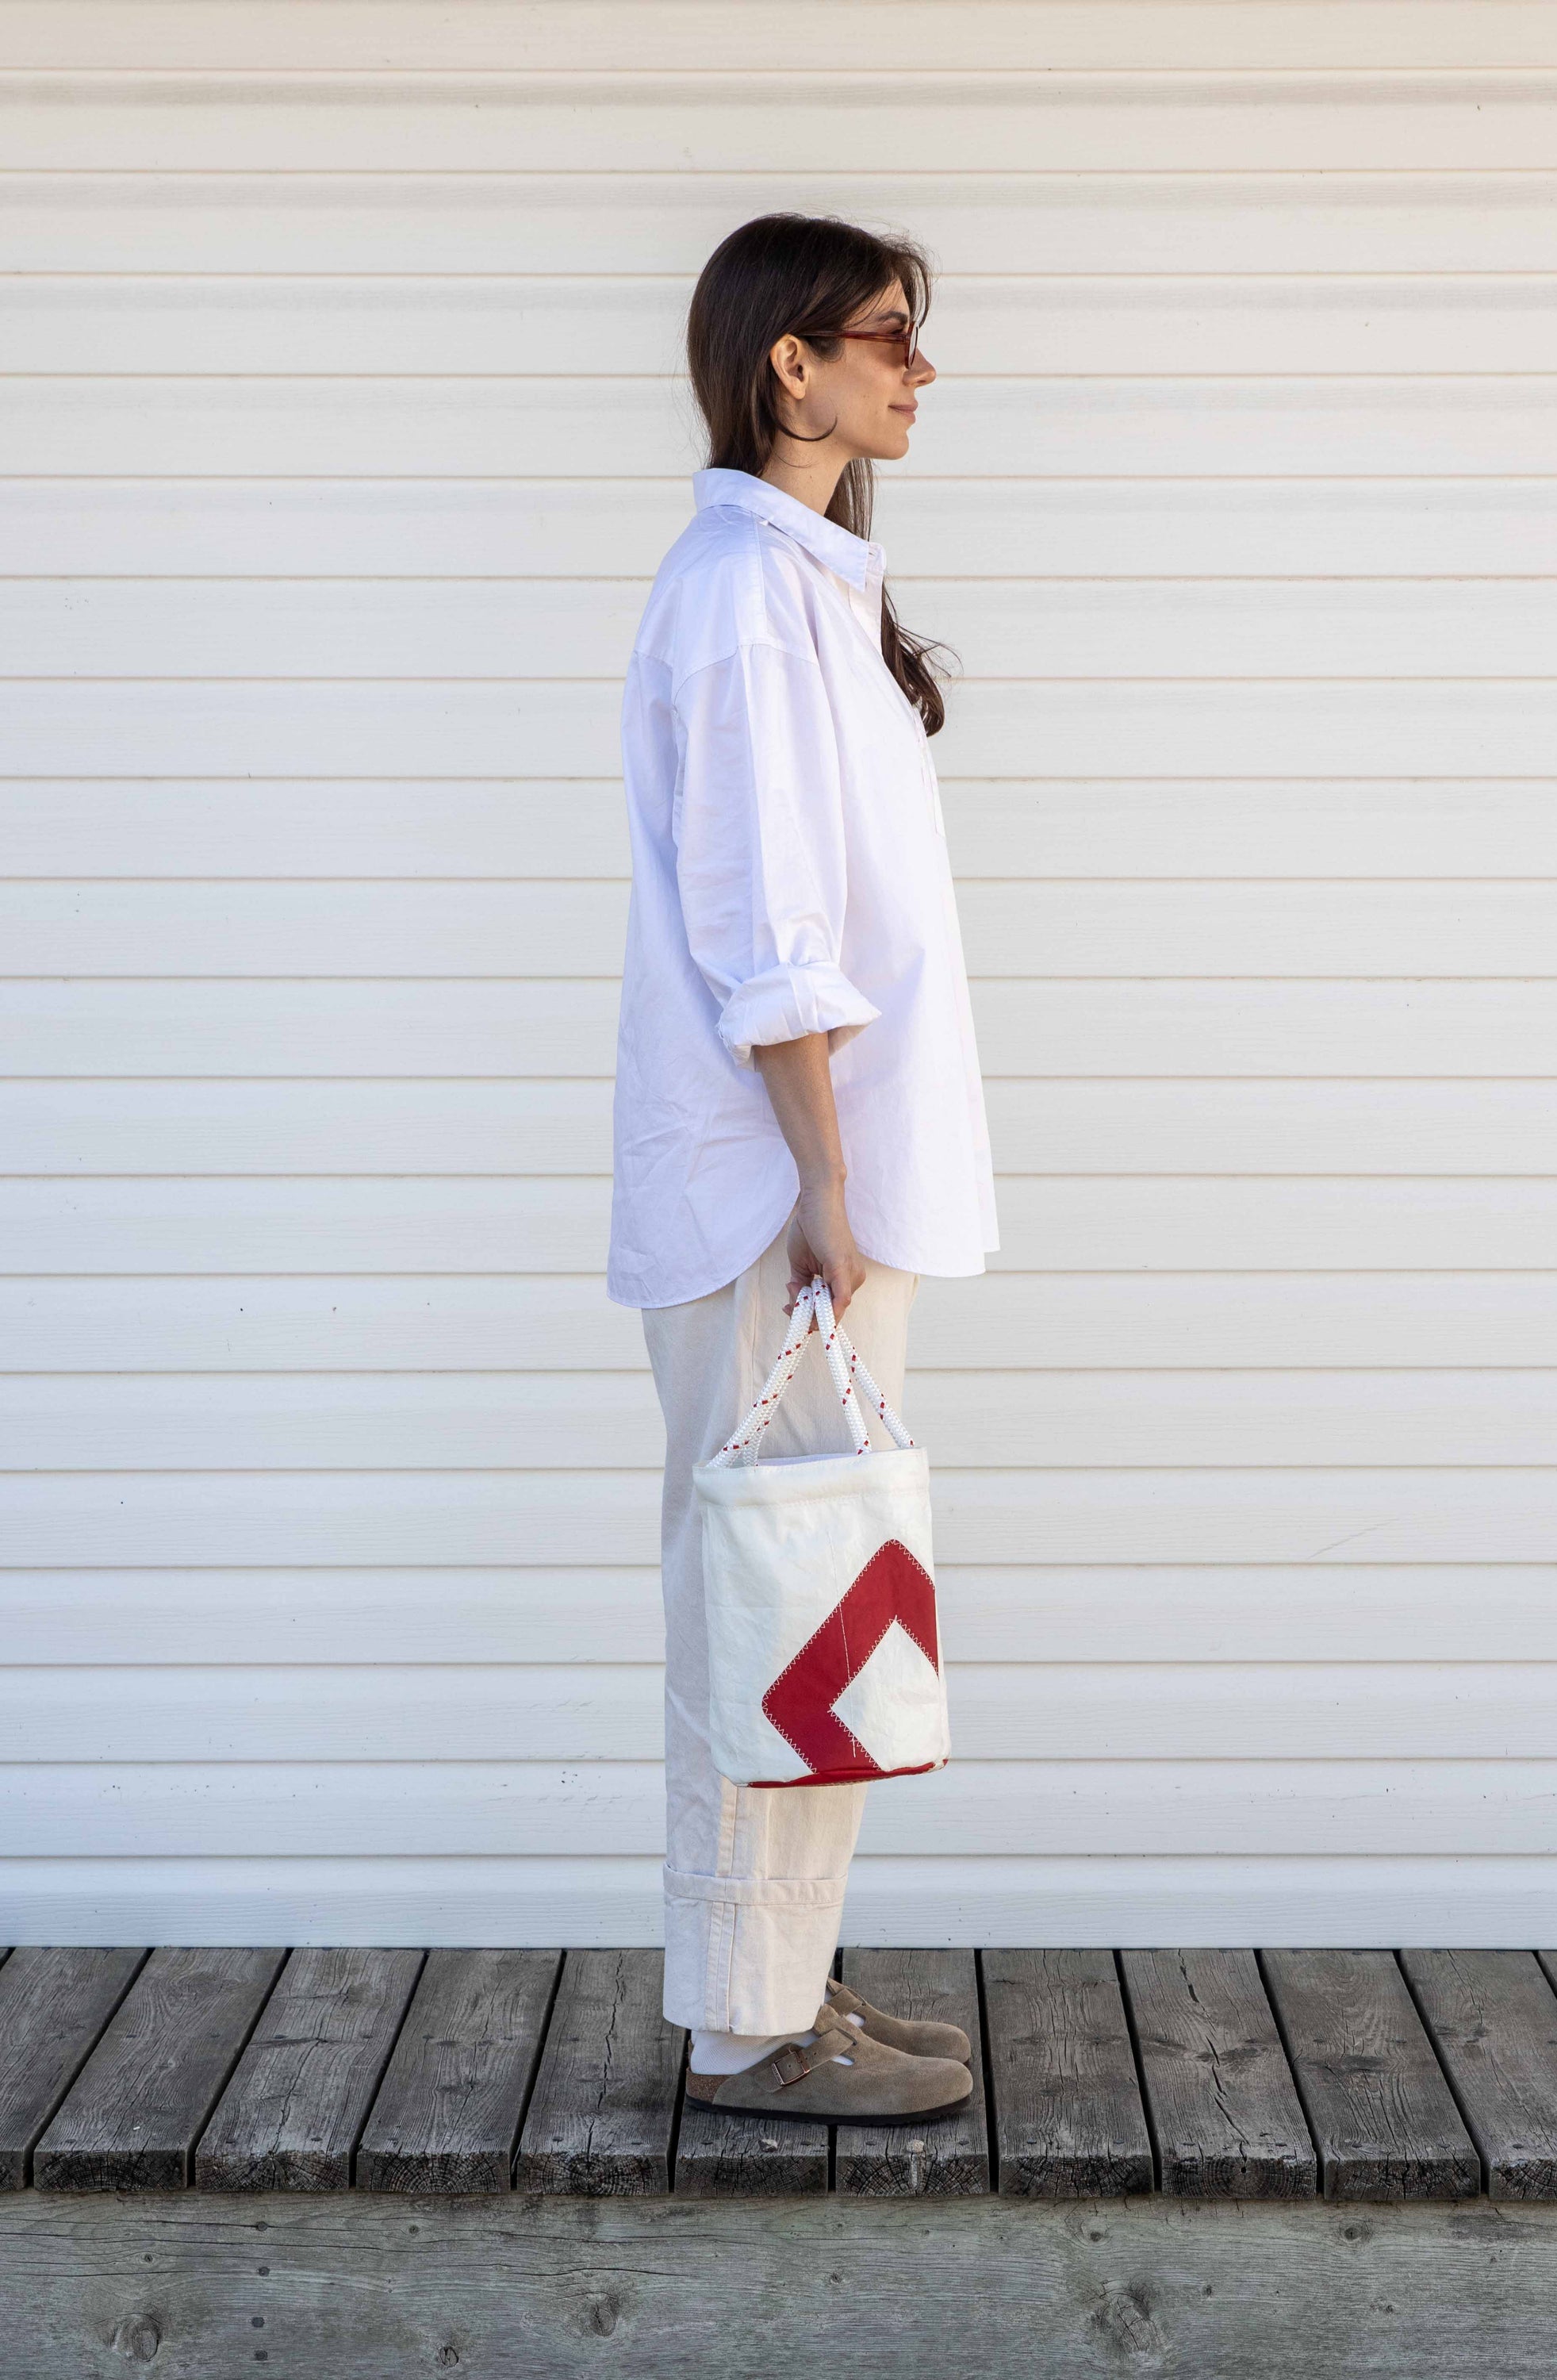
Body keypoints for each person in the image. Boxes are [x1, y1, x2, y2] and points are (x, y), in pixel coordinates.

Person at [607, 214, 998, 2122]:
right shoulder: (740, 600)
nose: (917, 372)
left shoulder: (805, 589)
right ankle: (748, 2028)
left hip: (816, 1180)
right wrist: (828, 1194)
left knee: (813, 1598)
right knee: (770, 1595)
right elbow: (771, 941)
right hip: (781, 1186)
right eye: (889, 340)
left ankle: (776, 1987)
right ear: (791, 364)